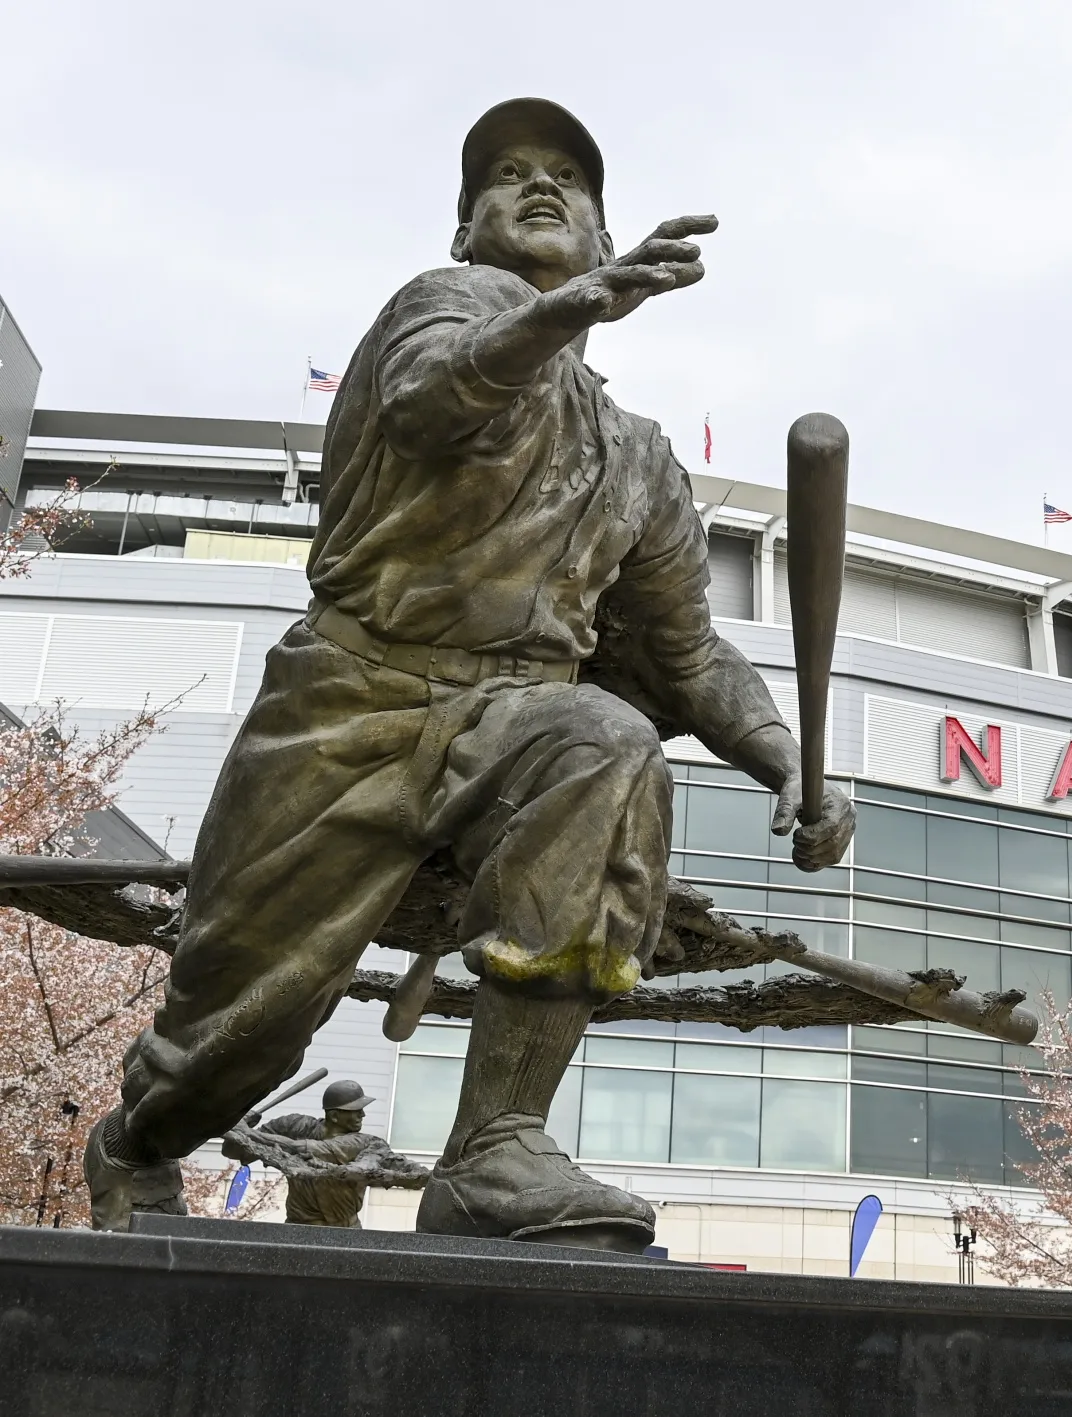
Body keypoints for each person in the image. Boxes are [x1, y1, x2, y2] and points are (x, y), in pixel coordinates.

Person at [86, 98, 855, 1252]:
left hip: (510, 713)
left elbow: (685, 654)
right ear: (464, 232)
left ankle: (496, 1148)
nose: (537, 186)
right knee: (235, 1039)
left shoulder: (638, 457)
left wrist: (785, 759)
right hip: (350, 697)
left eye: (567, 179)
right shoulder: (443, 310)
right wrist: (557, 314)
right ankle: (134, 1143)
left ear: (604, 235)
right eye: (504, 175)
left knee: (604, 740)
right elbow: (430, 399)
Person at [227, 1079, 378, 1228]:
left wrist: (249, 1133)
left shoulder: (362, 1143)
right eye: (355, 1111)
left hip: (345, 1233)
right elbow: (234, 1152)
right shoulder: (295, 1127)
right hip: (298, 1229)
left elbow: (307, 1147)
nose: (362, 1115)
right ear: (334, 1116)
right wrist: (237, 1125)